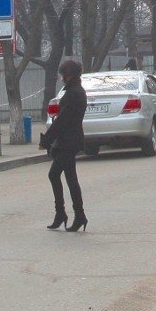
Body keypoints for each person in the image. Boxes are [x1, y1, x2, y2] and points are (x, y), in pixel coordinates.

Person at [39, 58, 88, 232]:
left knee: (56, 175)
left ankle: (66, 214)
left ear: (69, 76)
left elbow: (62, 121)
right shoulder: (76, 91)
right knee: (69, 178)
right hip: (70, 140)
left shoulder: (73, 93)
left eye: (63, 75)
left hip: (69, 141)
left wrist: (47, 139)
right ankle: (74, 215)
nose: (61, 78)